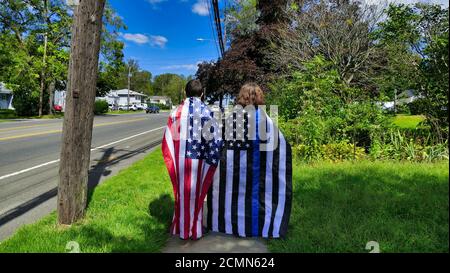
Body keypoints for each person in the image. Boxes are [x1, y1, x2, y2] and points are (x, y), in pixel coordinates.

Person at [207, 83, 293, 238]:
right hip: (257, 169)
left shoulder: (233, 117)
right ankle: (258, 227)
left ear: (241, 96)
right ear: (260, 97)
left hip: (234, 168)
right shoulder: (265, 119)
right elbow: (281, 143)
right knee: (252, 195)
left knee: (234, 193)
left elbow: (218, 140)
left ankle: (232, 225)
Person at [162, 80, 222, 240]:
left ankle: (180, 226)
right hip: (200, 160)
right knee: (197, 194)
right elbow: (215, 141)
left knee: (182, 193)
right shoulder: (207, 113)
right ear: (202, 94)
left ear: (185, 93)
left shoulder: (175, 113)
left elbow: (167, 141)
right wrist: (212, 160)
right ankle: (195, 228)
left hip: (181, 160)